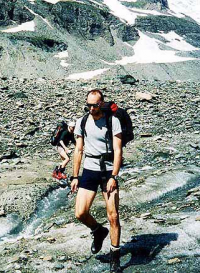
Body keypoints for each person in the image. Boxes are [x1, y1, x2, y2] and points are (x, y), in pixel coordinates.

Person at [70, 89, 123, 272]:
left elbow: (118, 150)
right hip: (90, 169)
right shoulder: (82, 121)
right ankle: (98, 231)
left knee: (113, 216)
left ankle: (115, 257)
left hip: (108, 170)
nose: (91, 108)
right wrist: (75, 176)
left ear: (101, 104)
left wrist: (114, 176)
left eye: (94, 105)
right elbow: (78, 150)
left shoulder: (112, 121)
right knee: (80, 213)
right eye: (88, 105)